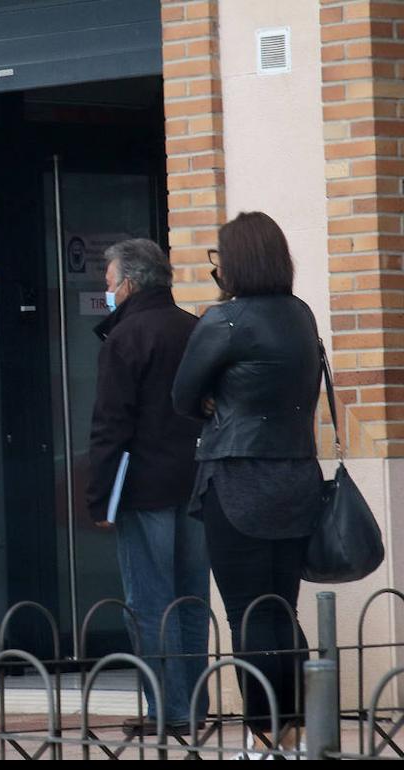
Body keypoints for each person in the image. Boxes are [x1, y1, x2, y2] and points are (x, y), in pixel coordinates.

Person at [173, 212, 322, 755]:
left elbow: (182, 396)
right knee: (283, 609)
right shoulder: (301, 315)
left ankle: (263, 739)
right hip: (298, 476)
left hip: (237, 479)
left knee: (247, 614)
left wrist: (215, 398)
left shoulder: (225, 320)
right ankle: (295, 733)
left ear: (232, 262)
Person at [86, 239, 209, 736]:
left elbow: (110, 424)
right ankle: (195, 707)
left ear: (130, 283)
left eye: (110, 283)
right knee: (191, 596)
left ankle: (168, 710)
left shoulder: (127, 338)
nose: (108, 291)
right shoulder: (196, 329)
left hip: (143, 486)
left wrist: (98, 495)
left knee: (151, 599)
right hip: (197, 480)